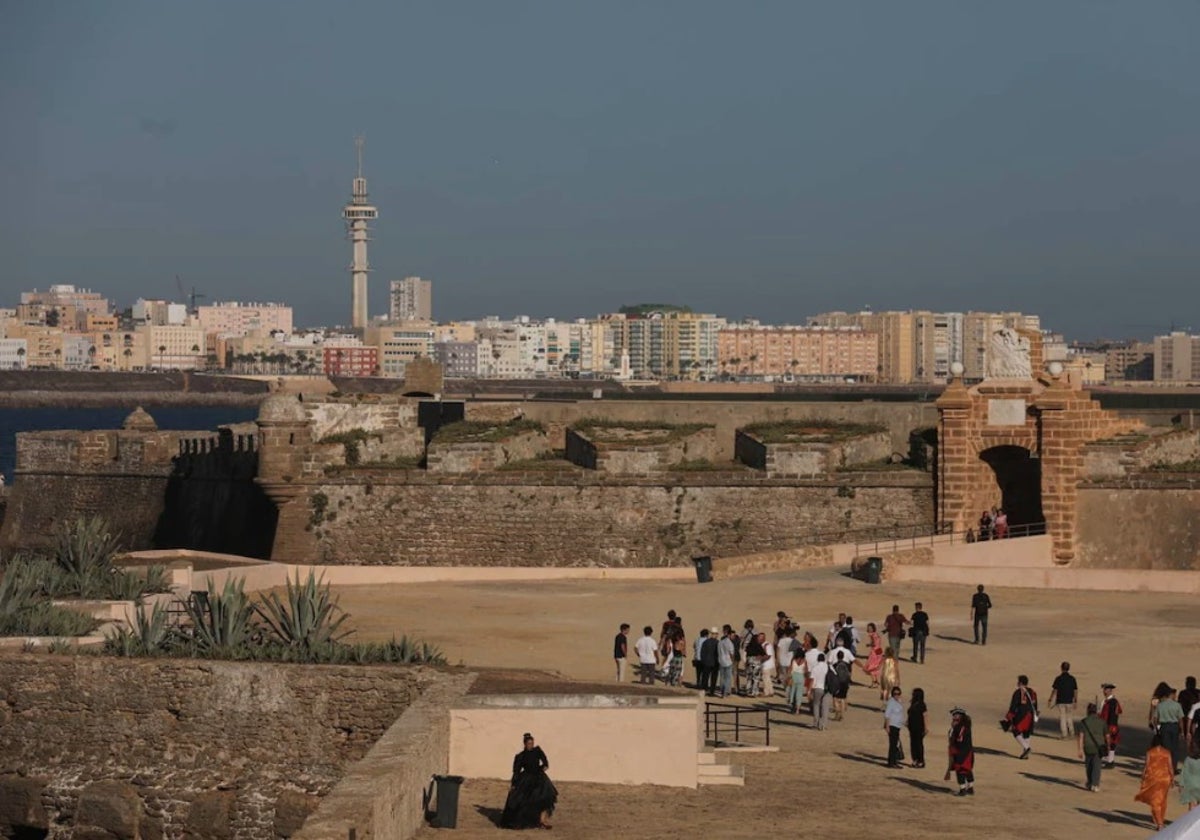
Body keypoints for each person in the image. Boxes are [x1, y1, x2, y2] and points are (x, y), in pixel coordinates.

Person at [500, 732, 558, 830]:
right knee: (524, 800)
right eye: (529, 743)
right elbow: (516, 771)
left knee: (546, 797)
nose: (530, 745)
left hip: (540, 777)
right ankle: (520, 821)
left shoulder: (538, 751)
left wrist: (542, 769)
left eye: (532, 743)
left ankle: (543, 821)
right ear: (525, 744)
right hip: (526, 779)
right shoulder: (520, 756)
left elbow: (545, 762)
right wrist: (514, 784)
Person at [1134, 733, 1179, 831]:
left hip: (1153, 779)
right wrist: (1172, 779)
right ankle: (1160, 819)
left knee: (1155, 801)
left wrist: (1142, 776)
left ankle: (1159, 823)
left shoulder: (1150, 752)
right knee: (1163, 800)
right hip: (1165, 779)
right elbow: (1171, 767)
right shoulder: (1166, 752)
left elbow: (1146, 765)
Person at [1002, 674, 1038, 759]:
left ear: (1021, 683)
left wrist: (1009, 716)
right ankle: (1025, 753)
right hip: (1031, 714)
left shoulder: (1018, 692)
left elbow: (1013, 706)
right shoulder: (1032, 692)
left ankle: (1026, 748)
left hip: (1022, 715)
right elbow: (1035, 704)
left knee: (1016, 731)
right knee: (1026, 733)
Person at [1153, 684, 1185, 773]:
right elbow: (1180, 720)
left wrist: (1157, 728)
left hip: (1164, 727)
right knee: (1174, 749)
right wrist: (1182, 731)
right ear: (1171, 695)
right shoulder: (1177, 705)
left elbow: (1155, 719)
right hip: (1174, 727)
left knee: (1166, 749)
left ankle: (1165, 767)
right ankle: (1173, 769)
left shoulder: (1160, 705)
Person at [945, 707, 976, 797]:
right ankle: (970, 788)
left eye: (955, 715)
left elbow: (959, 739)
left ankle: (962, 789)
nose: (953, 717)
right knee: (967, 769)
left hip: (961, 751)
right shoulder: (964, 725)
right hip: (967, 751)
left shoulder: (960, 727)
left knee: (960, 770)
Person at [1077, 702, 1107, 792]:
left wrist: (1080, 749)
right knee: (1096, 766)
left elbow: (1081, 736)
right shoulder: (1102, 722)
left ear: (1088, 711)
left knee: (1089, 766)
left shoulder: (1084, 721)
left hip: (1088, 747)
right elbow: (1107, 736)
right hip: (1099, 747)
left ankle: (1090, 782)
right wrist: (1108, 746)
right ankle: (1095, 784)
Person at [1049, 661, 1078, 740]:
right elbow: (1075, 690)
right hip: (1069, 701)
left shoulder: (1058, 678)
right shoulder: (1072, 679)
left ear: (1061, 668)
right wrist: (1075, 700)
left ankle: (1064, 734)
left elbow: (1055, 690)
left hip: (1061, 701)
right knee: (1069, 717)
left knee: (1063, 718)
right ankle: (1072, 733)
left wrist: (1050, 699)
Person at [1100, 683, 1123, 767]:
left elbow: (1109, 715)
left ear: (1109, 691)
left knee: (1110, 743)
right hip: (1110, 725)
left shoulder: (1111, 702)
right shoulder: (1110, 701)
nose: (1104, 691)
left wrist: (1110, 726)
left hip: (1110, 725)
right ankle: (1110, 760)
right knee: (1110, 743)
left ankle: (1109, 761)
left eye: (1105, 689)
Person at [828, 646, 854, 721]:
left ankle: (837, 714)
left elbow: (833, 674)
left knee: (835, 698)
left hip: (838, 683)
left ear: (837, 656)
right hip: (845, 683)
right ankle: (842, 715)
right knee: (843, 698)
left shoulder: (835, 664)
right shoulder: (847, 664)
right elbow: (849, 673)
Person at [885, 687, 905, 768]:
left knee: (895, 744)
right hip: (892, 725)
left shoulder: (899, 702)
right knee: (893, 745)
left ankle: (894, 761)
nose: (896, 695)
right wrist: (887, 726)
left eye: (898, 694)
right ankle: (892, 762)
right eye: (895, 694)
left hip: (897, 726)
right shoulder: (891, 702)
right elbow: (887, 715)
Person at [908, 687, 928, 769]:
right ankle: (915, 759)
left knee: (919, 744)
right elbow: (910, 714)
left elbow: (925, 716)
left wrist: (926, 728)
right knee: (913, 744)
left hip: (919, 727)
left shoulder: (922, 705)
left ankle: (921, 761)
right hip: (912, 726)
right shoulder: (913, 703)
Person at [810, 652, 831, 730]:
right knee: (825, 707)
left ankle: (816, 723)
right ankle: (823, 725)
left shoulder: (815, 667)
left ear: (817, 659)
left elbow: (812, 680)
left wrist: (810, 690)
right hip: (827, 689)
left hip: (817, 688)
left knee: (816, 705)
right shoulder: (828, 667)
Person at [743, 630, 765, 698]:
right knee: (756, 678)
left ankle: (748, 691)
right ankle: (754, 692)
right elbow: (763, 654)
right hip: (756, 663)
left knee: (749, 677)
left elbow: (746, 654)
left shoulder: (749, 646)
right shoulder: (758, 646)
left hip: (749, 662)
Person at [863, 623, 884, 688]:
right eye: (868, 628)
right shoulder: (875, 634)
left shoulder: (873, 635)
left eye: (870, 628)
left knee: (870, 668)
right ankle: (876, 681)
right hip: (878, 652)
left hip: (874, 653)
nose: (869, 629)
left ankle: (874, 682)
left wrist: (869, 645)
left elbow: (875, 644)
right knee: (874, 668)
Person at [1181, 739, 1200, 813]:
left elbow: (1184, 773)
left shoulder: (1188, 759)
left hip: (1191, 784)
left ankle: (1190, 821)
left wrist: (1181, 785)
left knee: (1191, 805)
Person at [717, 625, 735, 699]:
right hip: (728, 661)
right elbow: (731, 653)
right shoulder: (729, 643)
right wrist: (732, 661)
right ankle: (725, 692)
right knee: (728, 678)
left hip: (721, 661)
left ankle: (722, 691)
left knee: (722, 677)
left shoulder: (720, 642)